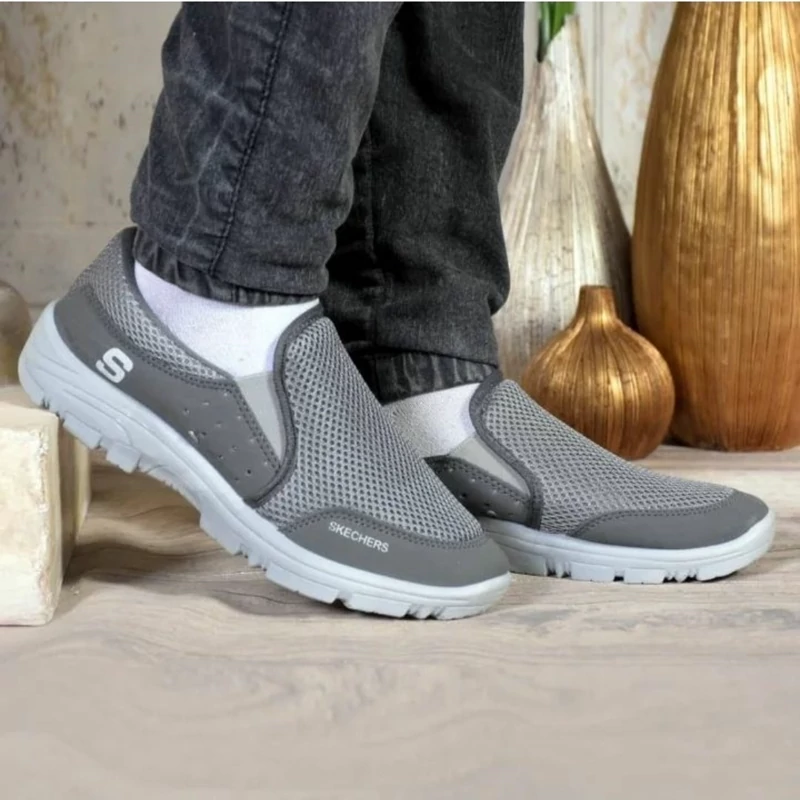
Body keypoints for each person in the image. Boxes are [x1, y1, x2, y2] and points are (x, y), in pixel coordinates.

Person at [19, 4, 774, 619]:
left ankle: (411, 373)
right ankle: (202, 300)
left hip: (406, 336)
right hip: (210, 277)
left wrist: (421, 343)